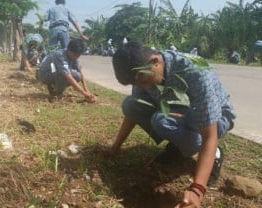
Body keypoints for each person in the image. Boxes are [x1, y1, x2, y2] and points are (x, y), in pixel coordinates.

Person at [99, 41, 236, 207]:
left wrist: (197, 189)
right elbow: (132, 114)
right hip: (178, 113)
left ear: (155, 61)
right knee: (131, 104)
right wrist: (115, 148)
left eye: (143, 80)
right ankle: (179, 145)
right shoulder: (142, 74)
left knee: (162, 121)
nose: (144, 86)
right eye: (138, 84)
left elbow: (210, 135)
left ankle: (214, 155)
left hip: (216, 119)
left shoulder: (195, 72)